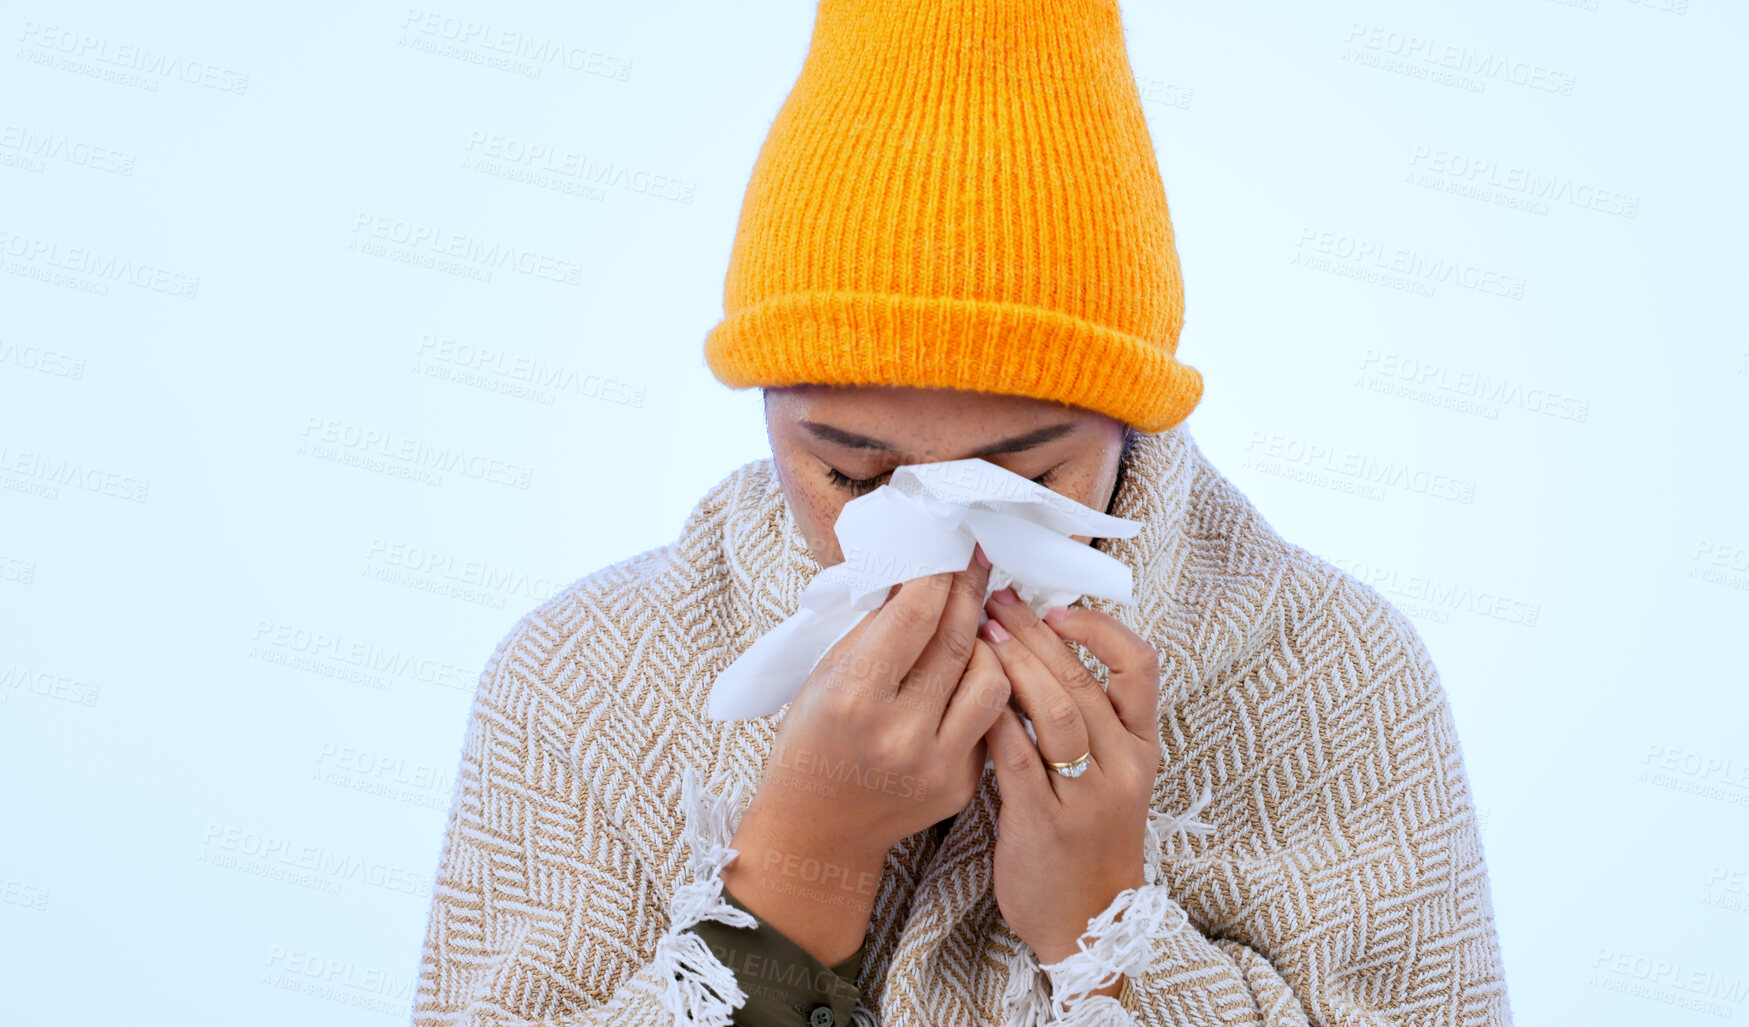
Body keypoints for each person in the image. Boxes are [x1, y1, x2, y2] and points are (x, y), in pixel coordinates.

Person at [410, 2, 1512, 1025]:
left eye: (1022, 477)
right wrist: (795, 876)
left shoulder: (1337, 673)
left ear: (1129, 423)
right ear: (767, 413)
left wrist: (1109, 934)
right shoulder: (583, 680)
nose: (936, 542)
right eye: (851, 474)